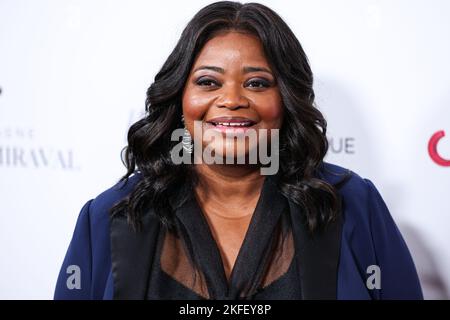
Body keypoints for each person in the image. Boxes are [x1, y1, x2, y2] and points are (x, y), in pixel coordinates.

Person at [54, 1, 423, 300]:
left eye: (257, 82)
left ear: (286, 99)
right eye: (208, 81)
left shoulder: (352, 203)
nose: (231, 100)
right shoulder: (108, 215)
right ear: (179, 98)